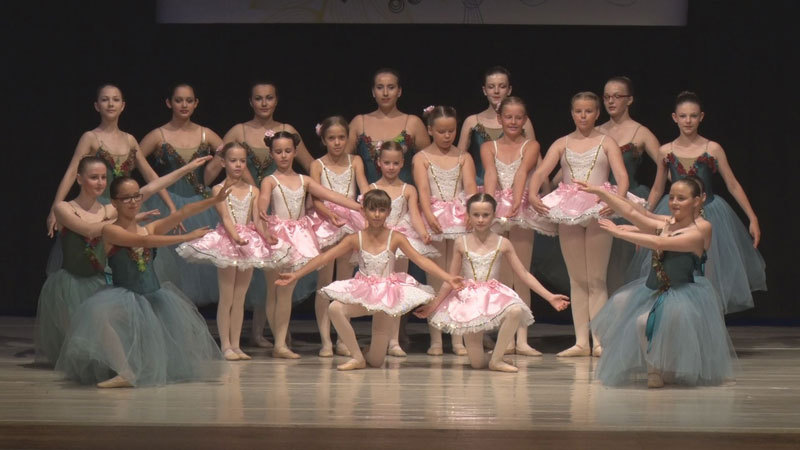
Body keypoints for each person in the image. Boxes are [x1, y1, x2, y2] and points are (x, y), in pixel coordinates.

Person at [55, 177, 230, 388]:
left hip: (153, 294)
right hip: (124, 295)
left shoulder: (150, 228)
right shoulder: (110, 230)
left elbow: (182, 213)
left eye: (136, 196)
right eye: (126, 198)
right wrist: (186, 237)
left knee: (158, 334)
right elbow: (143, 241)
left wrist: (214, 201)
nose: (133, 201)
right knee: (99, 317)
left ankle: (145, 369)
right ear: (115, 202)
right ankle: (125, 372)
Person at [36, 154, 210, 365]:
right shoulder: (64, 208)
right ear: (79, 179)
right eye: (94, 177)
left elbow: (148, 190)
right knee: (77, 344)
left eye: (103, 177)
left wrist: (185, 169)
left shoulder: (109, 209)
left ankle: (122, 368)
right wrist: (123, 220)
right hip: (72, 282)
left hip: (99, 281)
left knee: (103, 340)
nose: (100, 182)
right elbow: (89, 230)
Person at [276, 190, 463, 370]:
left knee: (376, 360)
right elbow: (325, 257)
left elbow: (421, 260)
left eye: (382, 210)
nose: (377, 214)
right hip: (364, 292)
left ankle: (367, 354)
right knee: (335, 308)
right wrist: (296, 275)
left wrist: (448, 277)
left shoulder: (396, 238)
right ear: (364, 211)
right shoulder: (355, 238)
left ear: (389, 212)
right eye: (372, 209)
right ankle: (357, 357)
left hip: (387, 296)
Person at [584, 177, 737, 387]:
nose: (674, 202)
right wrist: (602, 193)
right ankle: (653, 370)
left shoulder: (698, 232)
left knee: (644, 322)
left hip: (679, 291)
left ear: (696, 201)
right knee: (620, 303)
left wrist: (621, 233)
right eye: (672, 197)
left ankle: (660, 368)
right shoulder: (666, 224)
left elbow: (658, 242)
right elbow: (634, 214)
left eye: (681, 198)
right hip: (653, 288)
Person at [626, 91, 765, 314]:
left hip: (709, 214)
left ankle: (707, 321)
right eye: (683, 116)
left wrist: (752, 217)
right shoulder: (666, 151)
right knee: (675, 271)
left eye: (693, 116)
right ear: (675, 118)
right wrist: (644, 220)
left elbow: (732, 184)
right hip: (675, 217)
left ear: (701, 117)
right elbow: (658, 188)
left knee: (707, 273)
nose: (688, 121)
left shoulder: (712, 149)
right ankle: (680, 320)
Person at [527, 92, 639, 357]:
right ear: (572, 113)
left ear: (597, 113)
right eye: (578, 111)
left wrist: (618, 199)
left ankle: (599, 340)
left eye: (589, 111)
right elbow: (541, 172)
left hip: (598, 206)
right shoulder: (562, 143)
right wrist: (532, 194)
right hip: (569, 208)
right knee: (577, 279)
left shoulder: (606, 142)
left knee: (597, 278)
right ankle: (580, 342)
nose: (583, 116)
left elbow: (621, 175)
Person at [415, 193, 569, 372]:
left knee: (515, 310)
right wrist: (432, 306)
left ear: (494, 215)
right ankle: (489, 358)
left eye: (485, 215)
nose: (480, 219)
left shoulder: (503, 243)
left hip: (494, 296)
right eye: (476, 215)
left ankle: (497, 359)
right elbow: (450, 280)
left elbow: (524, 274)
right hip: (469, 300)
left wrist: (550, 297)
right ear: (468, 216)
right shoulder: (460, 243)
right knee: (477, 364)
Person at [177, 142, 289, 361]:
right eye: (233, 160)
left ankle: (236, 345)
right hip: (228, 241)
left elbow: (257, 219)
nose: (238, 165)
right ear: (223, 162)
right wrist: (235, 237)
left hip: (247, 241)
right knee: (227, 297)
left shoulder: (254, 190)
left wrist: (266, 235)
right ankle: (225, 345)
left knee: (240, 297)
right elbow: (226, 217)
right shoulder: (218, 189)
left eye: (242, 161)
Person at [255, 131, 363, 359]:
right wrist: (262, 209)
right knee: (275, 291)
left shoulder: (304, 180)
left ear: (295, 152)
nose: (283, 156)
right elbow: (263, 198)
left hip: (299, 236)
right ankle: (279, 342)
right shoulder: (270, 180)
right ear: (271, 154)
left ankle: (281, 343)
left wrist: (358, 206)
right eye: (278, 152)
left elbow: (330, 195)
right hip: (277, 236)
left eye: (287, 151)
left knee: (286, 290)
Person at [138, 82, 224, 306]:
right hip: (165, 203)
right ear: (169, 103)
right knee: (171, 261)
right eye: (178, 100)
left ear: (196, 103)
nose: (184, 105)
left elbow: (230, 154)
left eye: (189, 100)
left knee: (198, 260)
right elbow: (135, 159)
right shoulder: (158, 135)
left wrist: (208, 177)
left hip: (199, 202)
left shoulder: (206, 134)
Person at [413, 105, 478, 356]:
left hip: (460, 216)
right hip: (435, 216)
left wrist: (471, 211)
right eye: (441, 131)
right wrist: (428, 215)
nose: (447, 136)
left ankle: (458, 338)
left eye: (451, 131)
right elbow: (422, 190)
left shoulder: (464, 157)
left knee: (458, 276)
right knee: (437, 277)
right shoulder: (422, 158)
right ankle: (436, 338)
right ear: (430, 130)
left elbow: (470, 187)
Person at [480, 96, 542, 355]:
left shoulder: (531, 145)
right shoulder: (488, 146)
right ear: (500, 119)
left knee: (522, 273)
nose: (513, 122)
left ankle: (523, 339)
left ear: (525, 119)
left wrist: (516, 202)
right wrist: (490, 207)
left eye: (518, 117)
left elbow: (522, 173)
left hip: (521, 207)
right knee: (502, 277)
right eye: (508, 117)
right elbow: (490, 174)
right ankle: (505, 339)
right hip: (497, 205)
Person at [366, 141, 440, 356]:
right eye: (387, 163)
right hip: (379, 242)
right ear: (379, 163)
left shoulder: (408, 189)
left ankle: (394, 341)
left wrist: (423, 232)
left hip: (400, 241)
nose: (391, 167)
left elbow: (414, 214)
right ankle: (380, 338)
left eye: (395, 163)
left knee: (397, 290)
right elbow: (367, 216)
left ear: (402, 164)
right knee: (380, 291)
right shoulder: (372, 188)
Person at [307, 116, 369, 357]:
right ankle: (325, 340)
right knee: (324, 283)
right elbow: (315, 199)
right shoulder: (317, 165)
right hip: (325, 221)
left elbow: (363, 188)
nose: (337, 142)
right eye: (331, 138)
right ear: (323, 140)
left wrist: (369, 205)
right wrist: (330, 215)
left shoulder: (355, 161)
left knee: (344, 283)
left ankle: (343, 339)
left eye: (341, 137)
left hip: (351, 221)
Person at [596, 76, 664, 292]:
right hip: (601, 204)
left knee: (624, 268)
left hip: (630, 203)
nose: (611, 101)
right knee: (599, 270)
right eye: (607, 97)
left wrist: (647, 211)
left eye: (617, 96)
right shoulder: (596, 131)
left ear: (630, 99)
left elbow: (666, 167)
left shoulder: (640, 132)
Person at [219, 81, 314, 185]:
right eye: (258, 99)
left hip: (279, 193)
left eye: (269, 98)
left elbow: (310, 165)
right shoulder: (238, 131)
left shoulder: (287, 130)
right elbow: (215, 165)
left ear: (276, 101)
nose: (264, 104)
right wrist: (204, 190)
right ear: (251, 102)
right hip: (246, 194)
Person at [347, 68, 430, 184]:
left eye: (391, 87)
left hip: (406, 194)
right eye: (380, 87)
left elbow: (429, 165)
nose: (385, 93)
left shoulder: (413, 123)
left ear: (399, 91)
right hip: (369, 194)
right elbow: (342, 162)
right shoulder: (359, 122)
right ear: (373, 92)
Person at [458, 66, 537, 185]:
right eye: (491, 87)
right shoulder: (472, 121)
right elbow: (459, 160)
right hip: (480, 187)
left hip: (516, 187)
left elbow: (535, 159)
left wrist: (545, 190)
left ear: (509, 90)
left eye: (502, 86)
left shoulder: (522, 121)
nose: (496, 91)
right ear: (484, 90)